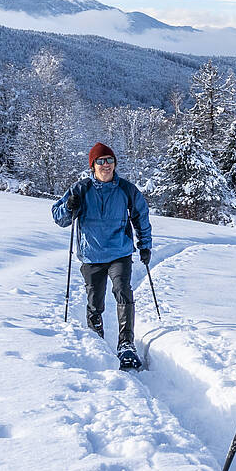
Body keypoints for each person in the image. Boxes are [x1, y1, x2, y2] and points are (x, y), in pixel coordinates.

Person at [53, 141, 154, 369]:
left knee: (122, 291)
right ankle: (96, 339)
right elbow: (59, 218)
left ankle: (126, 343)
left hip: (120, 251)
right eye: (100, 161)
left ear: (114, 163)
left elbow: (141, 217)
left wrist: (145, 245)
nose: (106, 165)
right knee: (94, 301)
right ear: (93, 166)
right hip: (91, 255)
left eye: (109, 160)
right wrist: (69, 206)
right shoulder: (81, 189)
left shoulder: (126, 189)